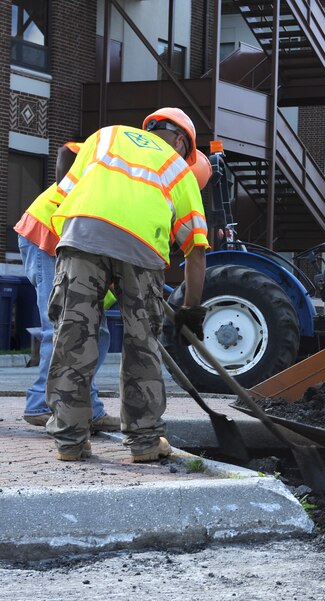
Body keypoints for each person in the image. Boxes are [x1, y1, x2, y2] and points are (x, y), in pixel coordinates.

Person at [45, 107, 209, 462]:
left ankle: (70, 443)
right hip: (141, 249)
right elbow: (196, 251)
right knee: (141, 344)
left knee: (73, 337)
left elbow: (63, 191)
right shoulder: (178, 167)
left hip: (81, 236)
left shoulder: (106, 135)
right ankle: (145, 443)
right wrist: (190, 308)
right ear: (181, 142)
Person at [14, 142, 120, 432]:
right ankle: (42, 403)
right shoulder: (122, 153)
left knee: (98, 335)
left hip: (80, 249)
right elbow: (67, 151)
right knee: (60, 326)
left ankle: (89, 407)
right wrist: (68, 198)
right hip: (49, 235)